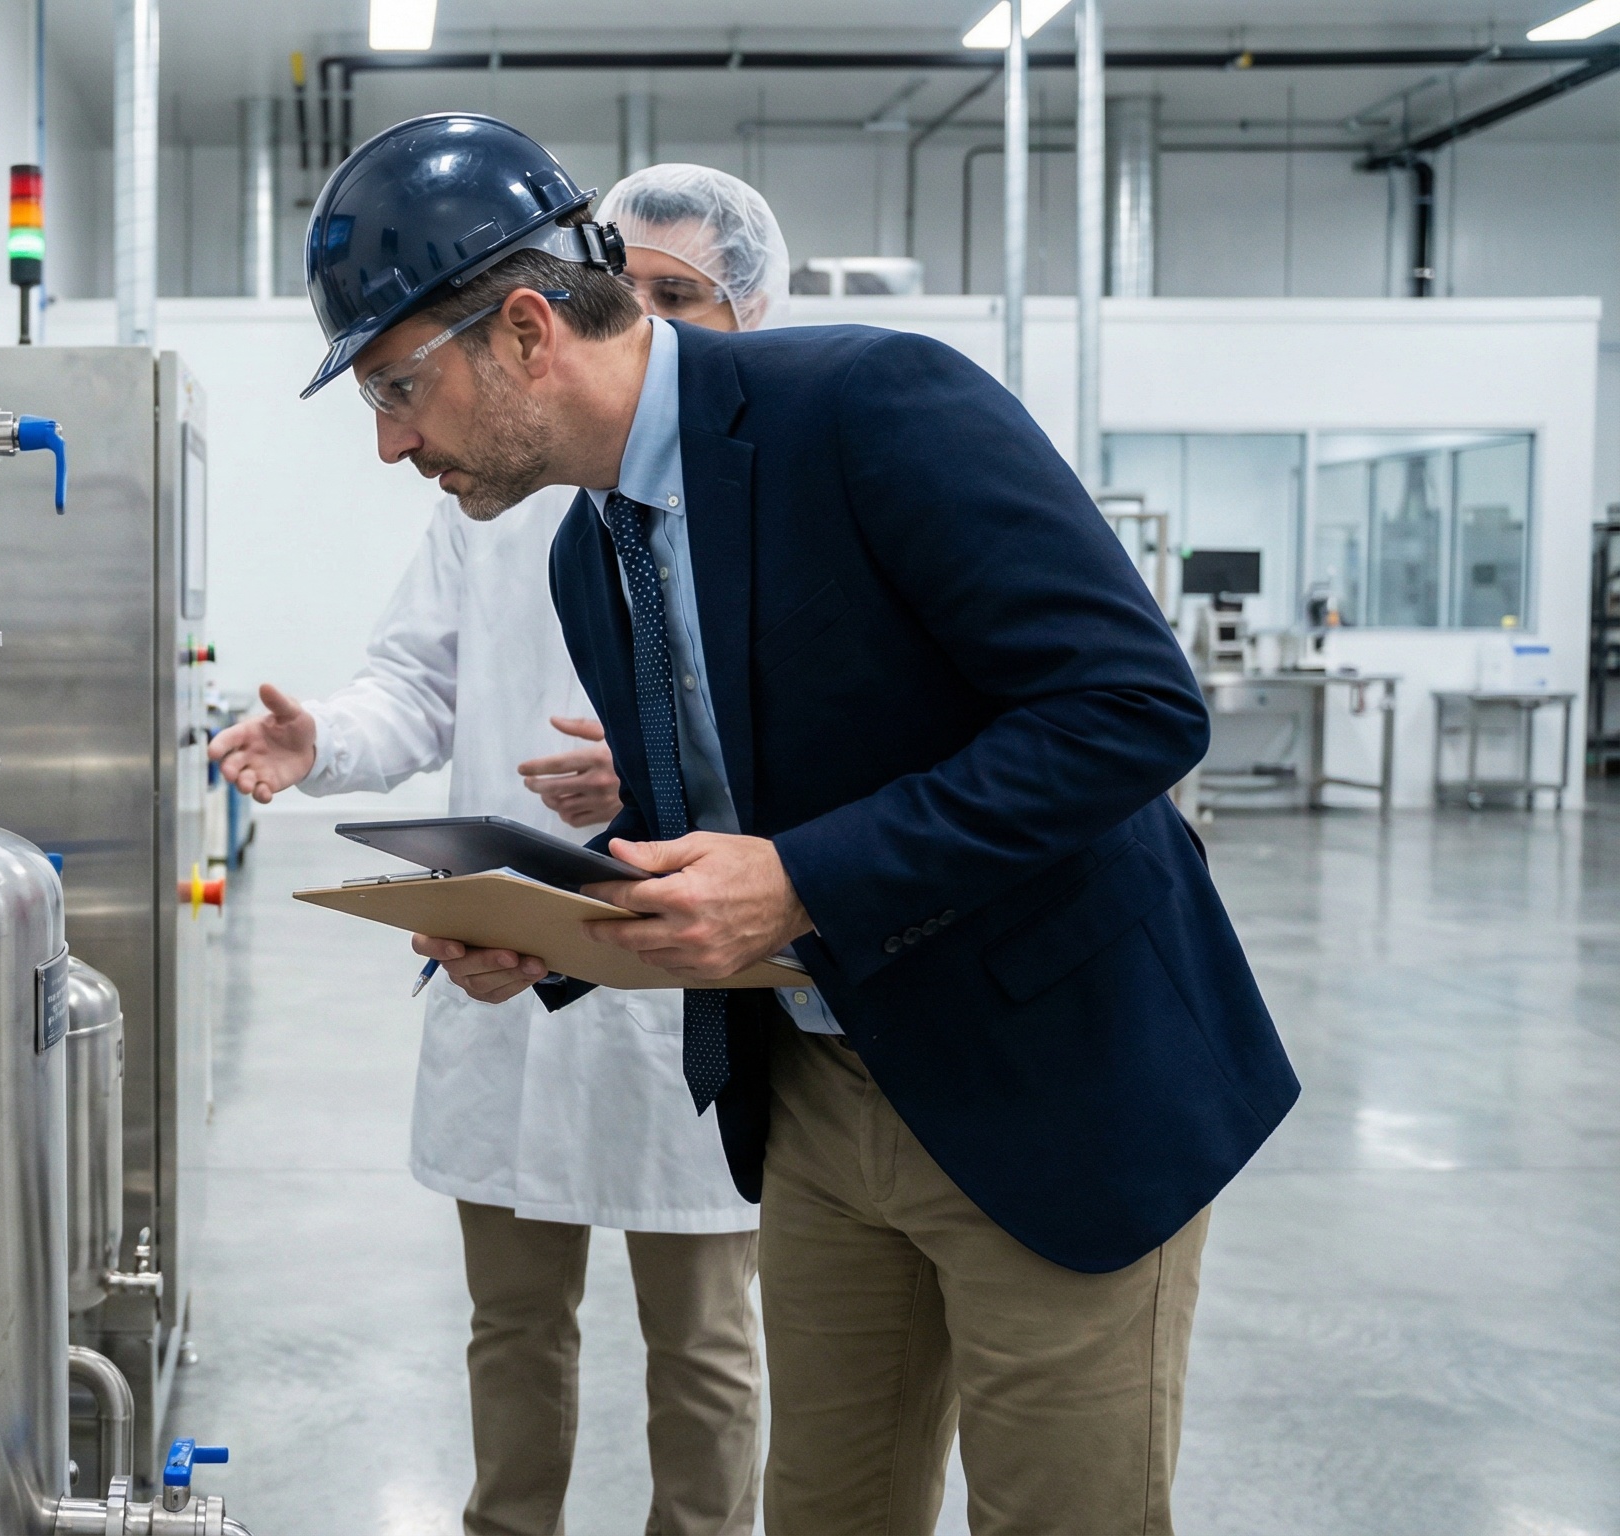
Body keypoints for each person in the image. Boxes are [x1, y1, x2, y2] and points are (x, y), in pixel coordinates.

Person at [297, 114, 1299, 1536]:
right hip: (827, 1099)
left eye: (400, 388)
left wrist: (803, 879)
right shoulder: (596, 553)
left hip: (1054, 1081)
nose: (393, 443)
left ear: (526, 329)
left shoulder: (872, 405)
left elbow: (1131, 709)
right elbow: (715, 818)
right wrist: (555, 940)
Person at [212, 164, 791, 1536]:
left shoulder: (763, 491)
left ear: (747, 312)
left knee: (704, 1344)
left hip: (679, 985)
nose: (641, 316)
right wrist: (321, 747)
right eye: (629, 285)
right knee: (512, 1323)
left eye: (679, 296)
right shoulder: (502, 488)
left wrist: (671, 764)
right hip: (508, 970)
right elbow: (415, 683)